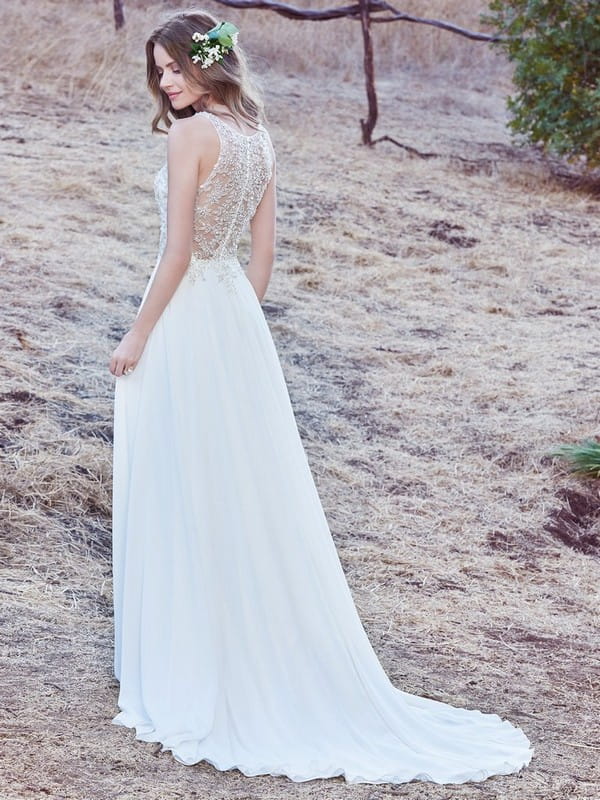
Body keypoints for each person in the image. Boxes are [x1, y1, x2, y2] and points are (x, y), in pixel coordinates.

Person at [109, 8, 534, 785]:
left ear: (211, 63)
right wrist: (233, 327)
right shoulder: (257, 136)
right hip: (234, 320)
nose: (167, 82)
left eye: (176, 66)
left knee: (186, 485)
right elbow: (260, 258)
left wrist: (140, 335)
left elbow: (175, 252)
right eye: (160, 71)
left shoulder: (190, 137)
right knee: (238, 490)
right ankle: (229, 651)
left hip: (182, 316)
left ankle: (194, 665)